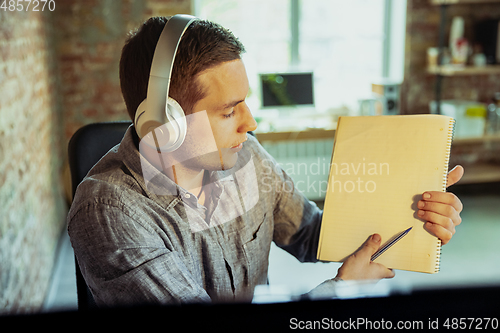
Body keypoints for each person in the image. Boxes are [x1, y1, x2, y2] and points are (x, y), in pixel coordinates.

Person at [67, 16, 464, 307]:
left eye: (246, 103)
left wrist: (414, 216)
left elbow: (312, 235)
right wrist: (341, 289)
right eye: (229, 111)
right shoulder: (109, 212)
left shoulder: (244, 157)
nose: (250, 123)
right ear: (165, 124)